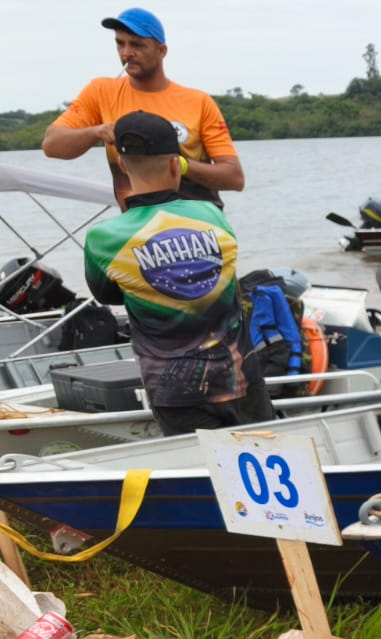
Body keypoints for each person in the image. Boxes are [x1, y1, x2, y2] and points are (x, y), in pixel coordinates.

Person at [82, 111, 272, 436]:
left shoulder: (103, 238)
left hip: (173, 392)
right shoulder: (211, 215)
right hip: (241, 378)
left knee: (197, 467)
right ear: (176, 165)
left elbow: (108, 295)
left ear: (122, 166)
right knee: (265, 454)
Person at [42, 9, 244, 210]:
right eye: (120, 43)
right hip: (139, 224)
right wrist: (97, 131)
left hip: (197, 223)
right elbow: (51, 145)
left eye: (137, 45)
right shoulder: (101, 91)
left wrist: (178, 164)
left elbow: (234, 178)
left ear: (161, 51)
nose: (126, 53)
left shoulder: (198, 102)